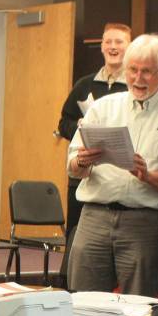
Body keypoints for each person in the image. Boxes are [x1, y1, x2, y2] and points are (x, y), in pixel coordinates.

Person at [66, 34, 158, 297]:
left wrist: (148, 176)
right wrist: (83, 160)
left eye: (147, 72)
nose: (138, 79)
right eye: (133, 70)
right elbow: (72, 167)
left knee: (137, 310)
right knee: (82, 304)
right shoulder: (102, 108)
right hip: (94, 217)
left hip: (146, 222)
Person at [58, 23, 130, 230]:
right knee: (76, 239)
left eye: (119, 42)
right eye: (108, 42)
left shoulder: (133, 87)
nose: (113, 47)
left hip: (116, 178)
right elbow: (63, 123)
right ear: (101, 47)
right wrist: (82, 128)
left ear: (129, 46)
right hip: (83, 174)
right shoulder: (84, 84)